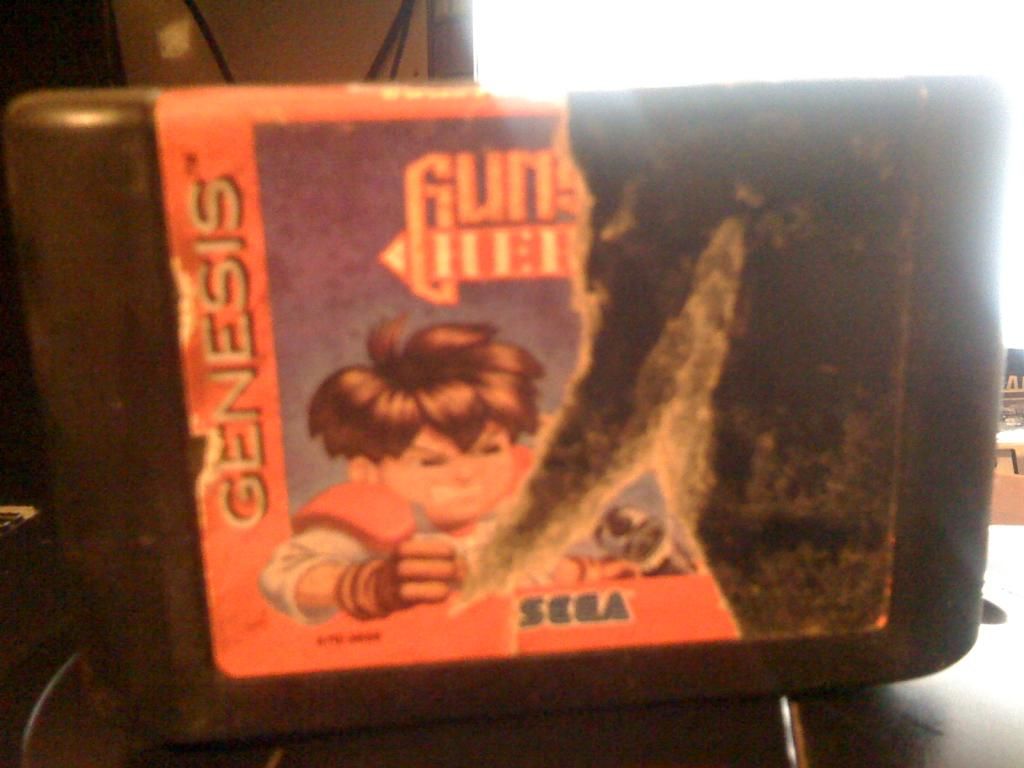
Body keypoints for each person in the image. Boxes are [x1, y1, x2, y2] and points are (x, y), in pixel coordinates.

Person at [261, 316, 635, 625]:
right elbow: (283, 576)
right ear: (367, 472)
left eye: (488, 450)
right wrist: (367, 585)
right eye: (431, 461)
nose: (466, 474)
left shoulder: (524, 506)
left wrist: (591, 574)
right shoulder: (365, 526)